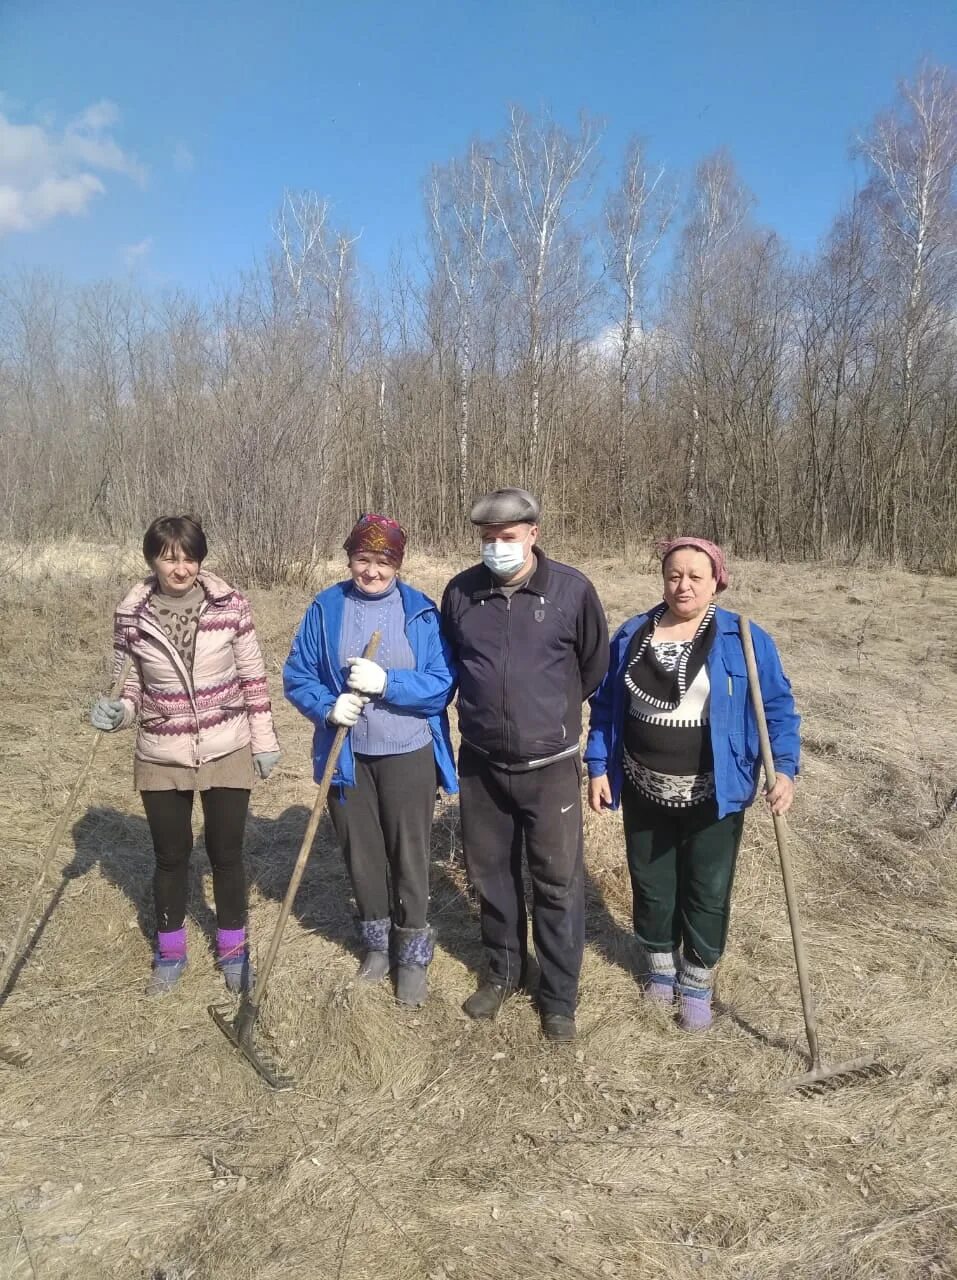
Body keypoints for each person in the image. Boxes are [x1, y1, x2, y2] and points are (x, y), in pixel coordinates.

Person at [584, 536, 800, 1030]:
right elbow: (606, 708)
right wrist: (598, 765)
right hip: (643, 787)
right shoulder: (633, 634)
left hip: (715, 792)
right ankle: (661, 971)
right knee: (652, 884)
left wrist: (783, 769)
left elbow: (778, 709)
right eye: (674, 575)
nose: (682, 585)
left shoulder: (742, 637)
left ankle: (697, 981)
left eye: (694, 577)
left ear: (715, 581)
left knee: (707, 887)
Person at [441, 488, 609, 1042]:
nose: (497, 549)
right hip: (483, 763)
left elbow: (591, 666)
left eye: (507, 539)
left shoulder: (571, 591)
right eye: (488, 540)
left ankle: (559, 996)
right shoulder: (462, 593)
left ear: (533, 534)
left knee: (557, 883)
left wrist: (548, 720)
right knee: (491, 874)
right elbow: (453, 665)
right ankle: (505, 970)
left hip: (551, 766)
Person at [91, 515, 280, 996]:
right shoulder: (132, 617)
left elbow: (253, 680)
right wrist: (120, 711)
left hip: (226, 743)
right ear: (151, 558)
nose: (181, 568)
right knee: (171, 857)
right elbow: (128, 682)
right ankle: (171, 952)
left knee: (226, 854)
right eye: (169, 557)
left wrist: (264, 742)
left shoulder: (231, 606)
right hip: (162, 749)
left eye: (189, 557)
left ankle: (234, 951)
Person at [283, 514, 457, 1007]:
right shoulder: (327, 607)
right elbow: (298, 675)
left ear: (397, 563)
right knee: (361, 855)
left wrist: (388, 683)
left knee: (410, 855)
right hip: (348, 756)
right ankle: (378, 947)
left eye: (384, 562)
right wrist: (327, 706)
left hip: (408, 753)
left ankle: (414, 952)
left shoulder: (419, 610)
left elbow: (442, 683)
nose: (373, 571)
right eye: (363, 559)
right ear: (349, 558)